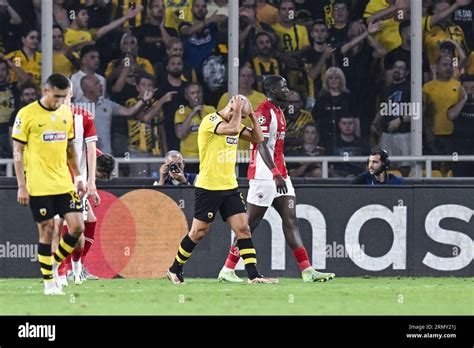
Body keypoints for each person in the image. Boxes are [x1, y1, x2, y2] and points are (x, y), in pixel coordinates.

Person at [218, 75, 335, 283]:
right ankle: (227, 269)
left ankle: (307, 271)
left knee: (291, 220)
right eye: (283, 86)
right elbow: (260, 144)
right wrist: (274, 173)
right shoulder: (263, 112)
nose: (287, 89)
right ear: (272, 89)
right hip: (265, 175)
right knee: (249, 225)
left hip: (281, 174)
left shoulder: (278, 111)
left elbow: (275, 143)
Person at [166, 95, 277, 284]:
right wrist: (238, 109)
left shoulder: (236, 122)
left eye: (243, 118)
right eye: (240, 116)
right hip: (209, 187)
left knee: (243, 229)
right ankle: (174, 269)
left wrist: (250, 114)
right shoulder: (210, 121)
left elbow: (258, 138)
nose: (241, 120)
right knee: (198, 232)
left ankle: (254, 276)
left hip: (229, 187)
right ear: (232, 109)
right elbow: (233, 128)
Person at [11, 73, 85, 295]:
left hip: (63, 182)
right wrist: (22, 185)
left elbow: (70, 148)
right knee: (47, 230)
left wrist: (79, 177)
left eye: (64, 97)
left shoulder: (65, 113)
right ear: (46, 91)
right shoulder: (27, 115)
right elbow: (17, 152)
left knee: (77, 227)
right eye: (57, 96)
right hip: (38, 183)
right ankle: (49, 283)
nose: (60, 101)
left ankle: (52, 264)